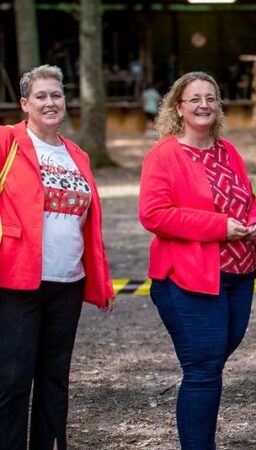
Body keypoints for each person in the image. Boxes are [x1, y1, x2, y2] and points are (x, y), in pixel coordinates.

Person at [139, 71, 256, 450]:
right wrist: (219, 228)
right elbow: (153, 214)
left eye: (211, 98)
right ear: (178, 108)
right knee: (202, 368)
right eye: (195, 99)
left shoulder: (226, 150)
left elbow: (247, 199)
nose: (204, 105)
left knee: (211, 363)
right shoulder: (164, 154)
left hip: (238, 274)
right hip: (188, 278)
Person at [0, 64, 114, 450]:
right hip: (16, 281)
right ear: (24, 104)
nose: (50, 103)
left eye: (57, 95)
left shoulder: (77, 155)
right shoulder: (7, 142)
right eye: (41, 96)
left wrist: (101, 278)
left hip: (68, 281)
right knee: (13, 380)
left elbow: (89, 223)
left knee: (55, 379)